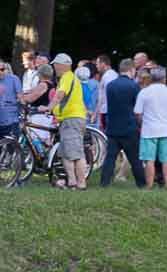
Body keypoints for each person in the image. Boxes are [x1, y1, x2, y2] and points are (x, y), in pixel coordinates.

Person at [98, 58, 146, 188]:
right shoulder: (134, 86)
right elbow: (137, 108)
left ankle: (105, 183)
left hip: (113, 126)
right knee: (135, 158)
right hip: (129, 127)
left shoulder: (111, 85)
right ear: (132, 70)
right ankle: (141, 184)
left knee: (110, 158)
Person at [133, 66, 167, 188]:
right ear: (164, 78)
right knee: (166, 160)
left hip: (149, 131)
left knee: (149, 160)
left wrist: (142, 124)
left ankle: (149, 185)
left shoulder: (144, 92)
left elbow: (137, 113)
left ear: (151, 78)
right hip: (166, 131)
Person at [48, 52, 89, 189]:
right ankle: (71, 182)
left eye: (55, 65)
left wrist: (49, 107)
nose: (54, 68)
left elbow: (59, 95)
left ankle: (81, 183)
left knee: (75, 153)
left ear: (62, 65)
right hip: (68, 119)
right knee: (66, 153)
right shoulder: (70, 78)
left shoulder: (67, 77)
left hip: (72, 119)